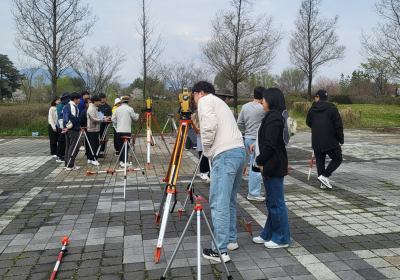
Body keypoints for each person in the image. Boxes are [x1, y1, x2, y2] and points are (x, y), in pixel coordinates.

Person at [193, 81, 246, 263]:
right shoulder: (220, 102)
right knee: (229, 200)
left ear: (200, 93)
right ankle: (230, 240)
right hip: (239, 151)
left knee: (219, 202)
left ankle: (220, 250)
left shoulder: (205, 100)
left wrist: (207, 150)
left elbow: (208, 127)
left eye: (193, 96)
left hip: (225, 155)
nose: (193, 100)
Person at [250, 87, 291, 249]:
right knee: (271, 201)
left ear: (271, 100)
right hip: (270, 164)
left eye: (264, 100)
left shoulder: (274, 118)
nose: (262, 103)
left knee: (276, 203)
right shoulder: (272, 116)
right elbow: (265, 138)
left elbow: (270, 144)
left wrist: (260, 161)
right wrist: (256, 144)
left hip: (272, 165)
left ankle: (282, 238)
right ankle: (268, 233)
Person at [306, 89, 344, 189]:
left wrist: (317, 128)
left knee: (320, 161)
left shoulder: (312, 109)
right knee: (337, 158)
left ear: (318, 98)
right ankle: (325, 176)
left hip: (316, 139)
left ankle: (323, 182)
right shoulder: (332, 109)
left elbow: (308, 122)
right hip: (330, 139)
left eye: (316, 96)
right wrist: (341, 139)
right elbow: (338, 125)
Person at [237, 86, 266, 202]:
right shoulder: (263, 108)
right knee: (257, 167)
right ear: (264, 96)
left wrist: (248, 128)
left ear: (253, 94)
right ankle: (253, 193)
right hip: (257, 140)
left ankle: (255, 190)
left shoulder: (245, 106)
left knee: (253, 165)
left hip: (247, 138)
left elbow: (239, 122)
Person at [111, 96, 139, 167]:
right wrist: (137, 115)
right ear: (128, 101)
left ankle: (121, 161)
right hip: (126, 130)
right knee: (126, 146)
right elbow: (135, 118)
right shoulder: (130, 109)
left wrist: (117, 124)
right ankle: (125, 161)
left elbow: (113, 119)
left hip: (119, 130)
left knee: (120, 146)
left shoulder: (117, 109)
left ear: (121, 101)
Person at [87, 95, 111, 165]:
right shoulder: (91, 108)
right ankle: (93, 158)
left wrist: (106, 117)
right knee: (94, 144)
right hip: (92, 129)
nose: (99, 103)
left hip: (95, 129)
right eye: (98, 102)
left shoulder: (95, 108)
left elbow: (98, 116)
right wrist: (103, 120)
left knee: (94, 144)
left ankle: (91, 158)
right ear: (95, 101)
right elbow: (94, 119)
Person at [62, 92, 81, 170]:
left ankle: (67, 163)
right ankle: (70, 164)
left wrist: (64, 127)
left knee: (68, 147)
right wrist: (68, 127)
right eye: (79, 99)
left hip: (66, 129)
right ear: (75, 99)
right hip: (72, 129)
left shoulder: (66, 106)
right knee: (74, 147)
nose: (80, 100)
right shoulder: (73, 107)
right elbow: (73, 119)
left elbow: (61, 117)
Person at [55, 92, 70, 163]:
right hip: (61, 126)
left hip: (65, 126)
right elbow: (60, 116)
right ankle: (59, 156)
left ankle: (63, 155)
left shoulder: (66, 104)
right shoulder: (61, 105)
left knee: (65, 141)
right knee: (61, 141)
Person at [98, 93, 112, 158]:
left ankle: (102, 150)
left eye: (104, 98)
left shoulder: (108, 107)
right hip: (97, 124)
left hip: (105, 125)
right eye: (102, 98)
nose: (103, 99)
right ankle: (96, 150)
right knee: (96, 138)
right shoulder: (97, 106)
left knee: (103, 138)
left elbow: (110, 116)